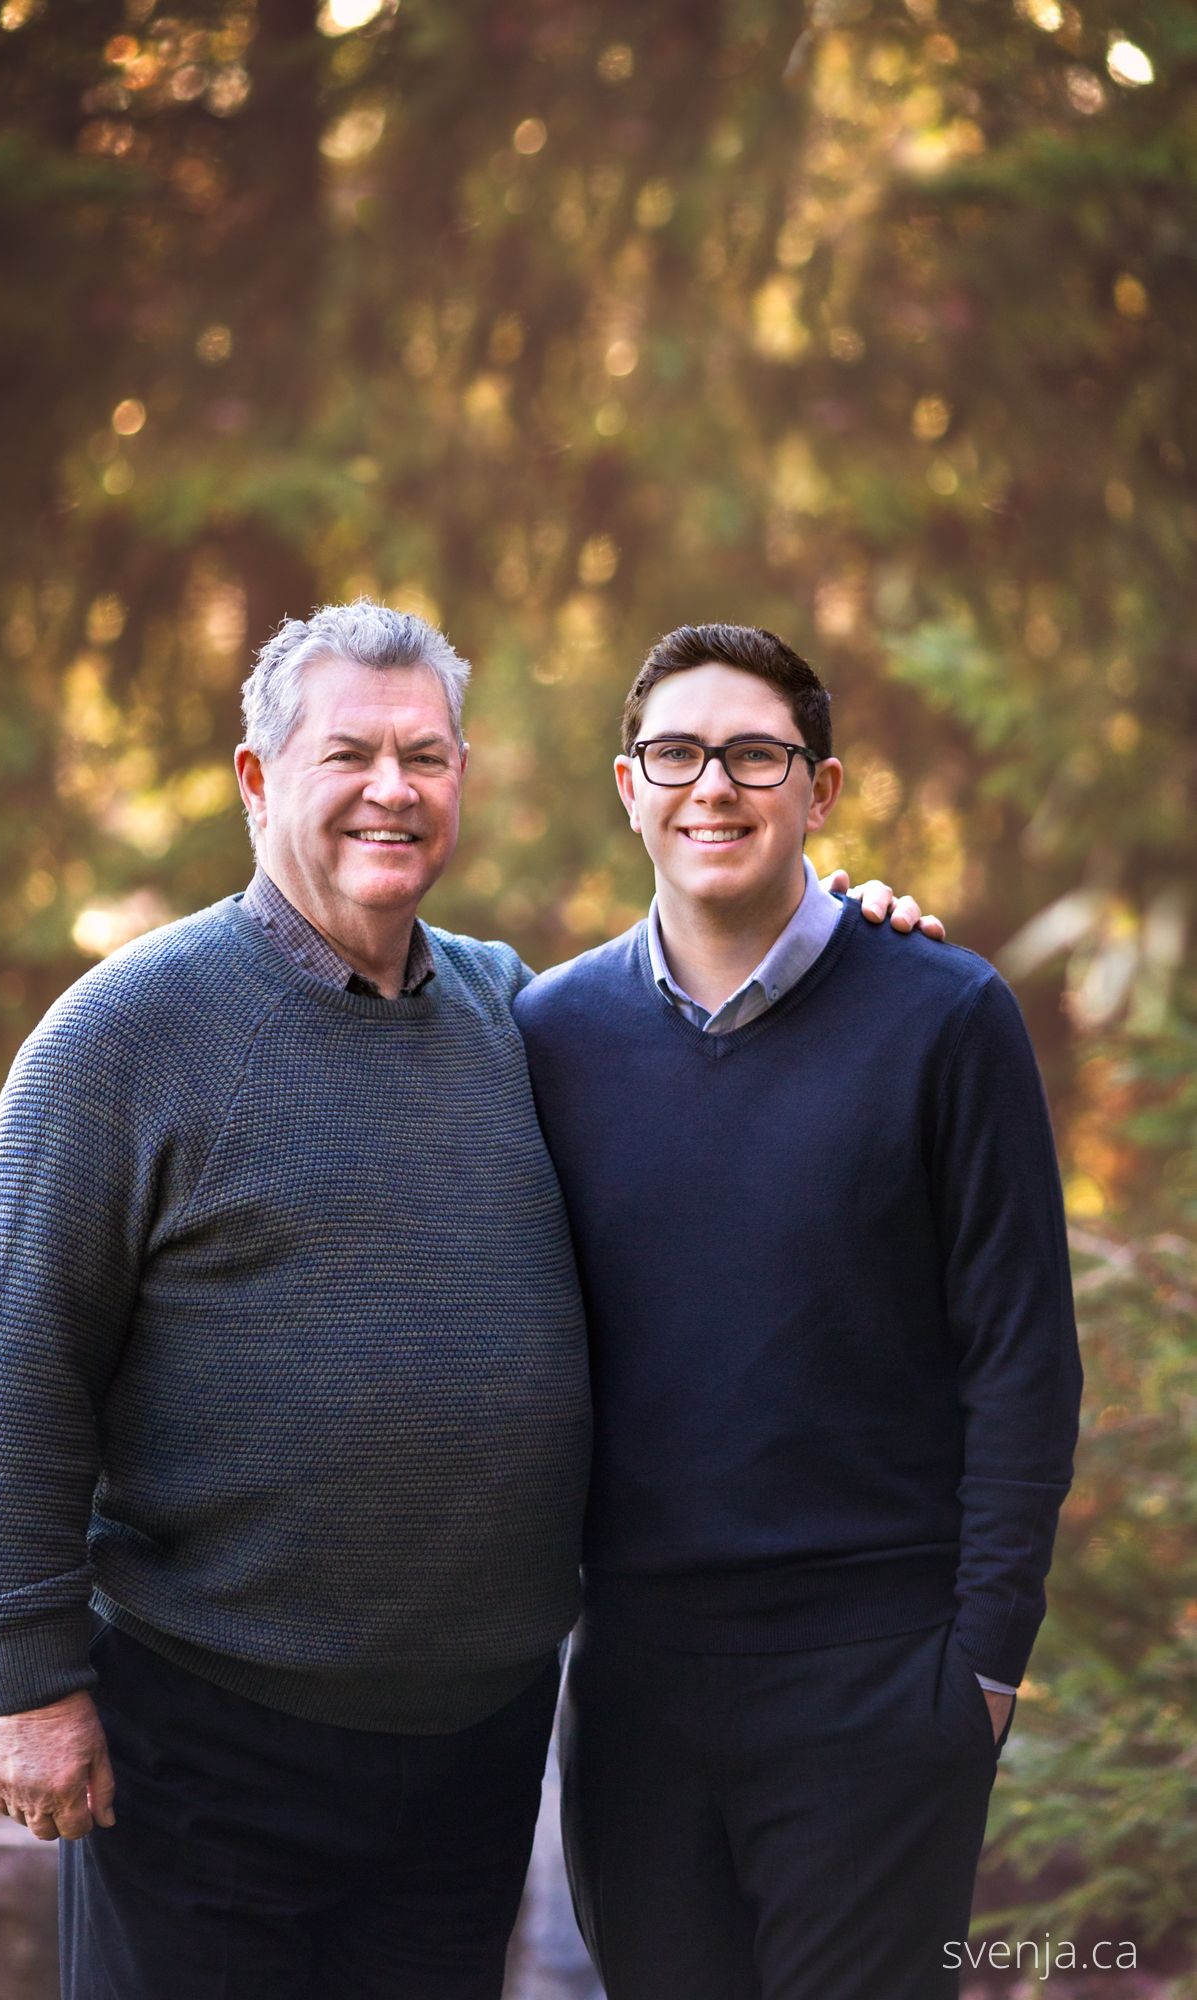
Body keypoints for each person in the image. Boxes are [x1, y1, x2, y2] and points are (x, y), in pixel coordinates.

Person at [0, 599, 934, 1999]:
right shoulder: (123, 1040)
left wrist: (852, 949)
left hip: (471, 1752)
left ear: (462, 778)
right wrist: (29, 1684)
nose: (392, 790)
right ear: (255, 778)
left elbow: (714, 1051)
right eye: (349, 754)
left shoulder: (514, 1016)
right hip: (211, 1739)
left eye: (426, 756)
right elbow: (19, 1370)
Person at [514, 622, 1082, 2000]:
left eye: (755, 753)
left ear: (818, 791)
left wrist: (984, 1667)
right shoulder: (546, 1036)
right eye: (677, 754)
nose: (713, 785)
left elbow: (1023, 1356)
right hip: (634, 1691)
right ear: (627, 787)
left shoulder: (946, 1017)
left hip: (878, 1683)